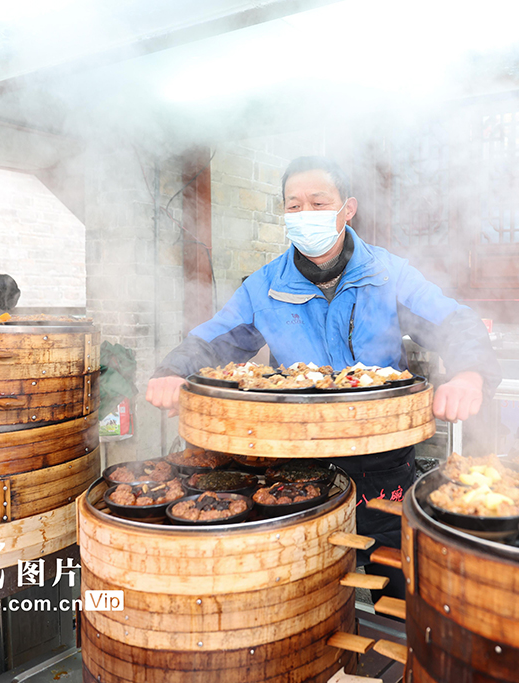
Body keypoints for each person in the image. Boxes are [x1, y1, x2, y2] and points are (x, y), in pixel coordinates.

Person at [147, 156, 500, 598]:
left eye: (318, 203)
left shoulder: (388, 275)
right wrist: (170, 372)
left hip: (380, 456)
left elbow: (454, 322)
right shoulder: (265, 286)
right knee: (304, 572)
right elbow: (213, 340)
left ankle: (386, 655)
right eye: (293, 206)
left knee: (391, 570)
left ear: (347, 209)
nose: (305, 214)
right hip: (296, 459)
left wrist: (470, 374)